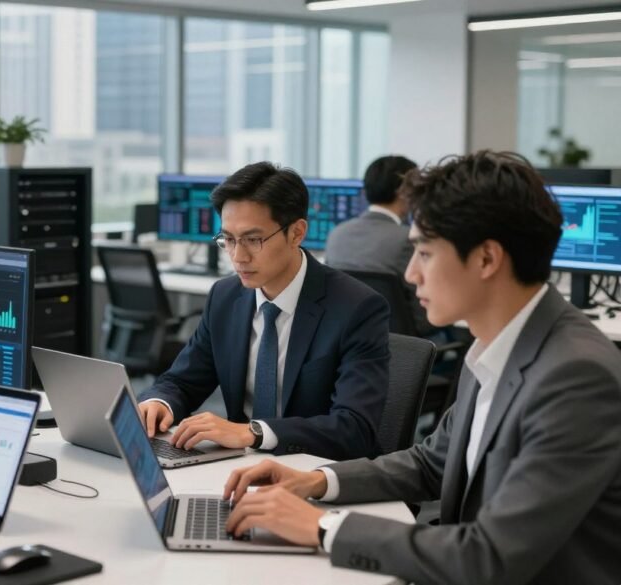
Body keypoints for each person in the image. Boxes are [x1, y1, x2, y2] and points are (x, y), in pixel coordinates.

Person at [222, 151, 621, 585]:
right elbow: (432, 464)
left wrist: (322, 527)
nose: (411, 274)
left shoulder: (575, 377)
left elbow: (489, 558)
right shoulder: (495, 347)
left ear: (487, 259)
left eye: (425, 253)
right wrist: (314, 481)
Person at [137, 162, 391, 461]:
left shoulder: (356, 308)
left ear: (296, 233)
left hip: (315, 470)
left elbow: (354, 428)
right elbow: (182, 381)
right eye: (228, 239)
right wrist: (159, 403)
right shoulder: (225, 297)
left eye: (253, 240)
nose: (238, 256)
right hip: (237, 466)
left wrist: (254, 433)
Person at [325, 155, 434, 335]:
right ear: (403, 191)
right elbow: (424, 318)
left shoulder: (337, 234)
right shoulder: (408, 239)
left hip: (351, 339)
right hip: (403, 344)